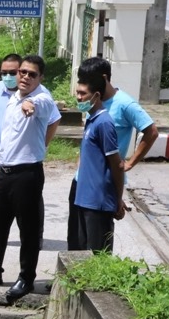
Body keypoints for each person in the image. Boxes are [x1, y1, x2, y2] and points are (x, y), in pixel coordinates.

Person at [0, 54, 58, 305]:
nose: (25, 77)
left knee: (27, 230)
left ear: (41, 78)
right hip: (4, 171)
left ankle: (26, 278)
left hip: (27, 174)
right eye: (23, 72)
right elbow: (7, 137)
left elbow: (45, 110)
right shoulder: (12, 98)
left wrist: (32, 107)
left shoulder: (42, 98)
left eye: (32, 74)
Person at [67, 57, 157, 251]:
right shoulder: (91, 104)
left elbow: (151, 131)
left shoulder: (124, 104)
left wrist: (130, 163)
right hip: (81, 183)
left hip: (101, 187)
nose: (81, 94)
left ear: (103, 78)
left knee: (96, 245)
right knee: (76, 240)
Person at [71, 69, 126, 251]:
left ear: (96, 95)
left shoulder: (104, 123)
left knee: (97, 255)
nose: (78, 97)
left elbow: (116, 164)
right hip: (83, 199)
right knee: (81, 253)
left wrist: (118, 199)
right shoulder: (91, 119)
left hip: (98, 202)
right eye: (77, 93)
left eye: (82, 93)